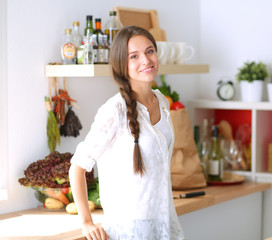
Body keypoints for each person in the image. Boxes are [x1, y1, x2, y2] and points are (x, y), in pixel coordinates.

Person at [69, 25, 185, 240]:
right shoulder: (115, 110)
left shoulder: (161, 101)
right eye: (134, 56)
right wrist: (86, 222)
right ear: (122, 65)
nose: (146, 60)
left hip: (164, 223)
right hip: (128, 231)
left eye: (150, 51)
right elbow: (77, 167)